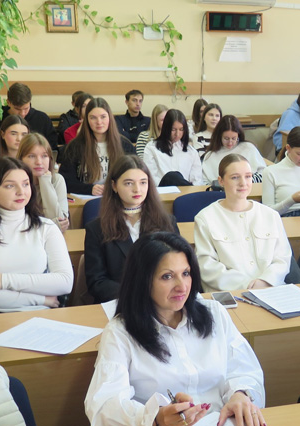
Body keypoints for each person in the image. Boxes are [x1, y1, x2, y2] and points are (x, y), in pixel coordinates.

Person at [84, 231, 265, 426]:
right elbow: (103, 406)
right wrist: (156, 417)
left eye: (186, 273)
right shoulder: (120, 332)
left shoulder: (215, 313)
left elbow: (245, 370)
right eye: (167, 276)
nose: (181, 286)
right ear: (143, 281)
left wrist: (240, 395)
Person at [0, 157, 73, 312]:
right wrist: (40, 299)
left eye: (25, 184)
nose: (21, 192)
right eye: (10, 186)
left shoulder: (47, 227)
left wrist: (1, 280)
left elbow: (65, 282)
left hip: (42, 318)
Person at [84, 155, 178, 303]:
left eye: (143, 182)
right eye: (129, 183)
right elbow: (97, 282)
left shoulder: (167, 223)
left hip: (163, 302)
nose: (137, 189)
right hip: (120, 304)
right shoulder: (96, 229)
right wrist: (136, 296)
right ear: (114, 186)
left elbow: (179, 268)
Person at [194, 154, 292, 292]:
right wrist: (247, 285)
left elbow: (282, 258)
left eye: (248, 176)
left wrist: (265, 281)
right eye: (235, 177)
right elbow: (206, 265)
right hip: (231, 293)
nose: (243, 183)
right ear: (221, 181)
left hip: (271, 289)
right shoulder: (206, 218)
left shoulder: (270, 215)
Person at [60, 97, 136, 196]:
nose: (99, 122)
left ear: (110, 118)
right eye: (93, 117)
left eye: (103, 117)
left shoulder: (125, 145)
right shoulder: (75, 146)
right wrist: (89, 189)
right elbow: (65, 181)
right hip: (87, 199)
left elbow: (136, 175)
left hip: (118, 198)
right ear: (87, 120)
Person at [0, 83, 57, 157]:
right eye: (17, 109)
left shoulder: (42, 119)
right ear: (8, 103)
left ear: (30, 102)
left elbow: (52, 150)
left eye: (26, 108)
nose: (22, 113)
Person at [18, 133, 70, 233]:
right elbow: (19, 225)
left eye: (44, 156)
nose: (39, 162)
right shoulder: (16, 183)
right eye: (32, 156)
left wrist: (45, 181)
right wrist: (51, 224)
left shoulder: (57, 180)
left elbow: (60, 221)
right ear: (21, 159)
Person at [142, 109, 205, 186]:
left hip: (186, 193)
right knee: (172, 177)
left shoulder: (191, 151)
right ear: (166, 128)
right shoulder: (151, 148)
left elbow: (197, 180)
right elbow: (151, 177)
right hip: (162, 192)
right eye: (173, 129)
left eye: (181, 129)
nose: (177, 134)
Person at [202, 115, 267, 183]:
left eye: (234, 138)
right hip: (220, 192)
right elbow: (205, 182)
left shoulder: (248, 148)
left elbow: (264, 174)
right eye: (226, 138)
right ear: (219, 136)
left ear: (238, 135)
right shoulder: (211, 155)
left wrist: (244, 181)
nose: (230, 142)